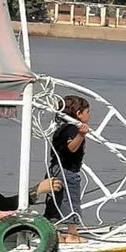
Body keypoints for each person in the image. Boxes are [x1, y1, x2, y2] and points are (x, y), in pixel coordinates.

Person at [45, 95, 91, 240]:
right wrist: (81, 135)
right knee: (71, 200)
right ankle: (72, 234)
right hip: (67, 171)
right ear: (78, 113)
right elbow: (71, 148)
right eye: (87, 111)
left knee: (54, 201)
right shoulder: (73, 129)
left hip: (54, 169)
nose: (89, 114)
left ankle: (54, 233)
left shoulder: (61, 128)